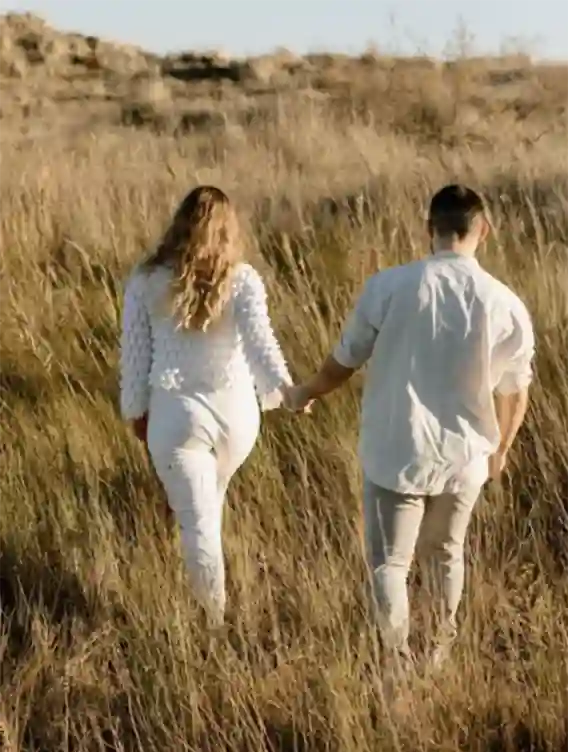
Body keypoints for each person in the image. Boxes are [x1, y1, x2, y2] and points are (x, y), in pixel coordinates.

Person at [286, 184, 535, 671]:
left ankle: (397, 662)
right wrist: (502, 448)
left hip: (396, 446)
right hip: (466, 454)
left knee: (390, 563)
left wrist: (306, 392)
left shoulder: (389, 287)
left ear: (428, 229)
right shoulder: (504, 302)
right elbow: (516, 391)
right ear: (483, 230)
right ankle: (438, 654)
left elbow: (343, 363)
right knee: (446, 553)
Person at [119, 185, 300, 626]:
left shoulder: (146, 281)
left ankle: (212, 628)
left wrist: (135, 411)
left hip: (177, 417)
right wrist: (285, 390)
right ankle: (212, 611)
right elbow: (261, 344)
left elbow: (135, 357)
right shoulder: (243, 279)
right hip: (237, 417)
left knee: (197, 524)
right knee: (207, 510)